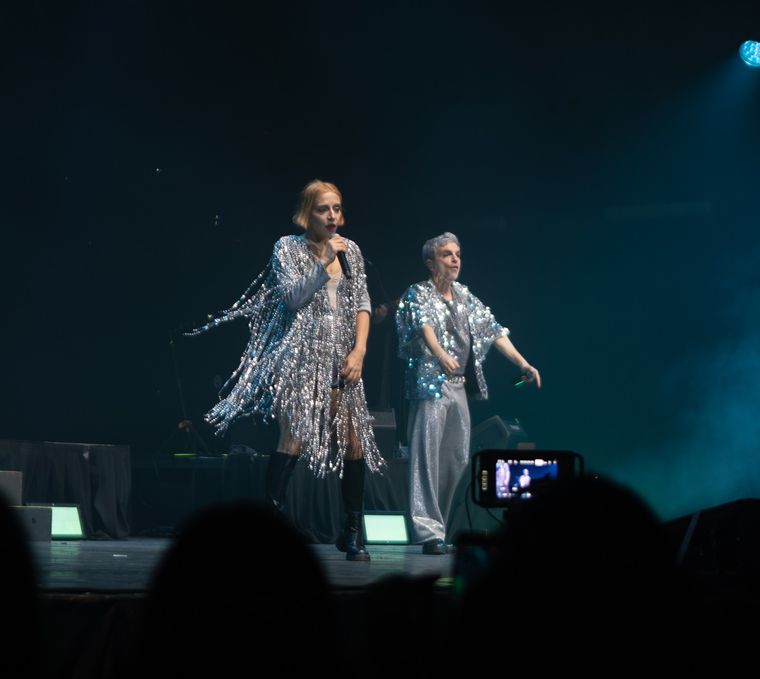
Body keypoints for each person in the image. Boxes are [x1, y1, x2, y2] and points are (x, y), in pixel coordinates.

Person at [190, 181, 383, 560]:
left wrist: (359, 351)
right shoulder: (288, 248)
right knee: (292, 438)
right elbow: (294, 298)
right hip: (301, 357)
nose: (332, 217)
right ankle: (272, 524)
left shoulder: (353, 250)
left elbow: (362, 302)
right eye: (323, 209)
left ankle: (352, 530)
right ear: (306, 213)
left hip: (343, 358)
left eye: (337, 209)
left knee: (354, 440)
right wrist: (324, 260)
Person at [396, 232, 541, 555]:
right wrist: (439, 354)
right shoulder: (417, 293)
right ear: (431, 262)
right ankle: (427, 531)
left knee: (456, 459)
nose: (455, 259)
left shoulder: (463, 295)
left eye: (457, 253)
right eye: (447, 254)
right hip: (429, 386)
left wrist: (524, 363)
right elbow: (424, 326)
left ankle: (439, 528)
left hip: (458, 385)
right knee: (426, 458)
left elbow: (492, 329)